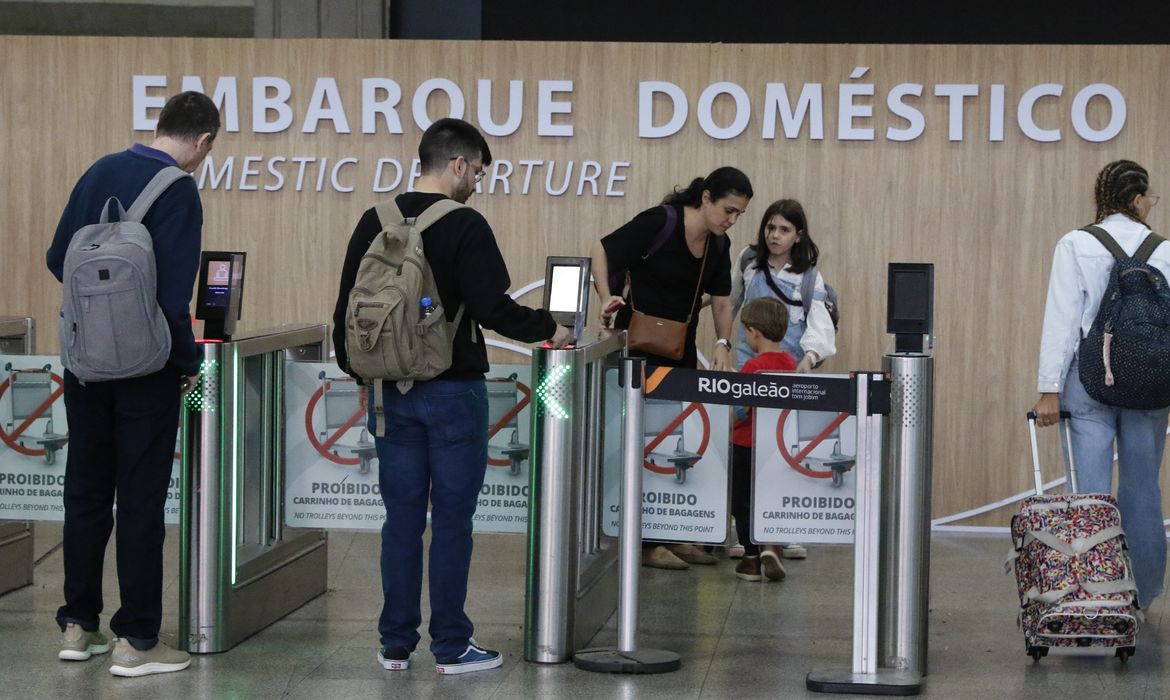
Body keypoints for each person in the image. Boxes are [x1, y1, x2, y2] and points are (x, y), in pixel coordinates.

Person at [332, 118, 570, 675]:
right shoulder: (466, 224)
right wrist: (551, 329)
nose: (477, 184)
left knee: (401, 521)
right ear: (458, 164)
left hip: (389, 395)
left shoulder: (375, 219)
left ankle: (395, 644)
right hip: (453, 391)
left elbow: (345, 307)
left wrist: (364, 372)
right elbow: (493, 308)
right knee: (453, 522)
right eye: (478, 172)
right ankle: (451, 646)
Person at [46, 91, 219, 676]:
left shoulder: (100, 171)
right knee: (140, 501)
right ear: (202, 142)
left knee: (86, 493)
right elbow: (172, 296)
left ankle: (77, 624)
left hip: (83, 363)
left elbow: (56, 258)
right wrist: (188, 360)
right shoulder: (179, 191)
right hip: (145, 370)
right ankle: (138, 640)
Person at [591, 166, 753, 569]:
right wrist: (607, 297)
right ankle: (643, 543)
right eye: (728, 210)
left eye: (738, 215)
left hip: (677, 351)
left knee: (671, 442)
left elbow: (721, 298)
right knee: (639, 445)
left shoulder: (718, 245)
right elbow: (603, 250)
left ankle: (671, 533)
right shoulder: (660, 222)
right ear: (706, 197)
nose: (731, 220)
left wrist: (722, 342)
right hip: (638, 349)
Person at [1033, 159, 1168, 607]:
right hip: (1150, 385)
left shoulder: (1076, 244)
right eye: (1150, 197)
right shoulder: (1165, 250)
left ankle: (1096, 595)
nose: (1152, 204)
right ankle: (1144, 597)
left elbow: (1062, 319)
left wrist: (1049, 388)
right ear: (1136, 199)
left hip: (1088, 383)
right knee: (1143, 488)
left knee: (1088, 493)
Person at [728, 199, 836, 561]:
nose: (775, 235)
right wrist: (722, 341)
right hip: (746, 369)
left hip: (785, 375)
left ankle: (783, 528)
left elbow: (820, 324)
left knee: (781, 451)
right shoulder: (748, 261)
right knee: (743, 450)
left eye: (784, 230)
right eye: (771, 227)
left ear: (798, 235)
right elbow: (730, 301)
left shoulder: (809, 278)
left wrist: (808, 359)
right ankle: (745, 532)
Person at [730, 298, 798, 581]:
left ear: (754, 331)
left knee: (743, 503)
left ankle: (751, 558)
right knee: (770, 499)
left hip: (746, 446)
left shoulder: (753, 368)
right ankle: (772, 545)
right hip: (775, 450)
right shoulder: (790, 364)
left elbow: (741, 412)